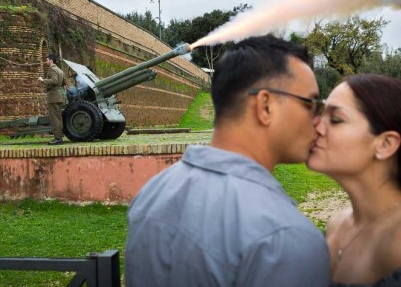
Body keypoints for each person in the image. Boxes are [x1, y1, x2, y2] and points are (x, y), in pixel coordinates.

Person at [125, 36, 331, 286]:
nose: (319, 121)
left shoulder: (153, 192)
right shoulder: (287, 237)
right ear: (265, 106)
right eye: (310, 104)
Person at [307, 74, 401, 285]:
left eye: (336, 119)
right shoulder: (335, 225)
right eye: (320, 115)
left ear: (385, 144)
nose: (317, 127)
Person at [38, 53, 64, 145]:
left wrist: (43, 80)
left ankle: (58, 138)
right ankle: (60, 136)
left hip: (53, 96)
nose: (46, 61)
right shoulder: (60, 70)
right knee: (59, 118)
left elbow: (55, 81)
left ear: (51, 61)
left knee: (55, 119)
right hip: (59, 95)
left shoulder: (52, 70)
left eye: (47, 60)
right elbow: (63, 82)